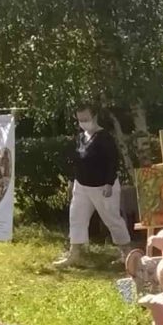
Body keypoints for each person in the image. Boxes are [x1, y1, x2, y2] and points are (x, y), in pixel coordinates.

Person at [53, 103, 132, 268]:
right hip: (82, 186)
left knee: (112, 219)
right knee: (76, 217)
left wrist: (109, 183)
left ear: (94, 117)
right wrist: (72, 180)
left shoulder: (104, 137)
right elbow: (77, 161)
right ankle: (74, 254)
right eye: (80, 119)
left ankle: (127, 254)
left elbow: (113, 161)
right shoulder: (81, 137)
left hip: (103, 187)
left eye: (86, 119)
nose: (83, 122)